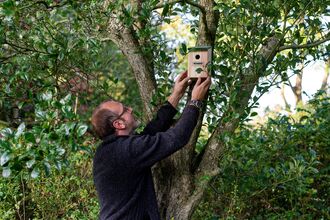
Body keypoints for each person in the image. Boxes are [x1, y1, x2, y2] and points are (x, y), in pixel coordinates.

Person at [91, 71, 211, 220]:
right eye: (125, 110)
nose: (131, 110)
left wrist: (176, 95)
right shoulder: (127, 150)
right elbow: (177, 138)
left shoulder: (109, 150)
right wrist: (195, 102)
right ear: (119, 124)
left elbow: (150, 132)